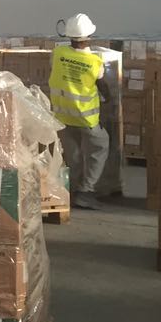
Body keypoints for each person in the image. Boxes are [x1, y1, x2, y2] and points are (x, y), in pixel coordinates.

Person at [49, 13, 110, 211]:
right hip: (86, 117)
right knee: (99, 147)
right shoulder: (95, 62)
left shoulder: (57, 54)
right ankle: (86, 191)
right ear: (89, 36)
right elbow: (104, 88)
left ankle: (72, 190)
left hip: (62, 116)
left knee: (73, 154)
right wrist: (109, 99)